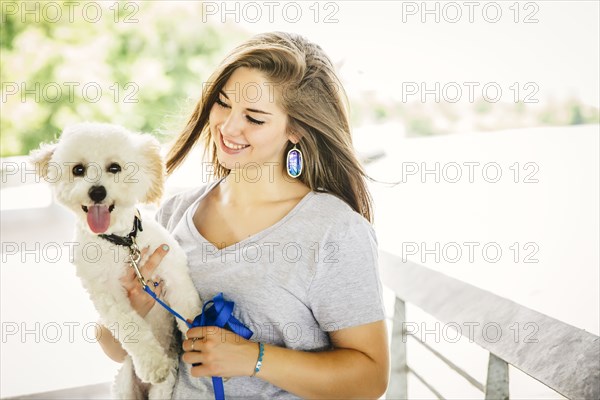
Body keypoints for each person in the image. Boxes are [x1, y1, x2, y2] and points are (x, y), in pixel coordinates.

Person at [97, 31, 389, 399]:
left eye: (254, 117)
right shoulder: (174, 212)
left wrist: (255, 358)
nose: (228, 127)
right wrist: (131, 310)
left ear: (296, 128)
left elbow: (371, 377)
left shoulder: (335, 231)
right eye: (222, 103)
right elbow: (115, 349)